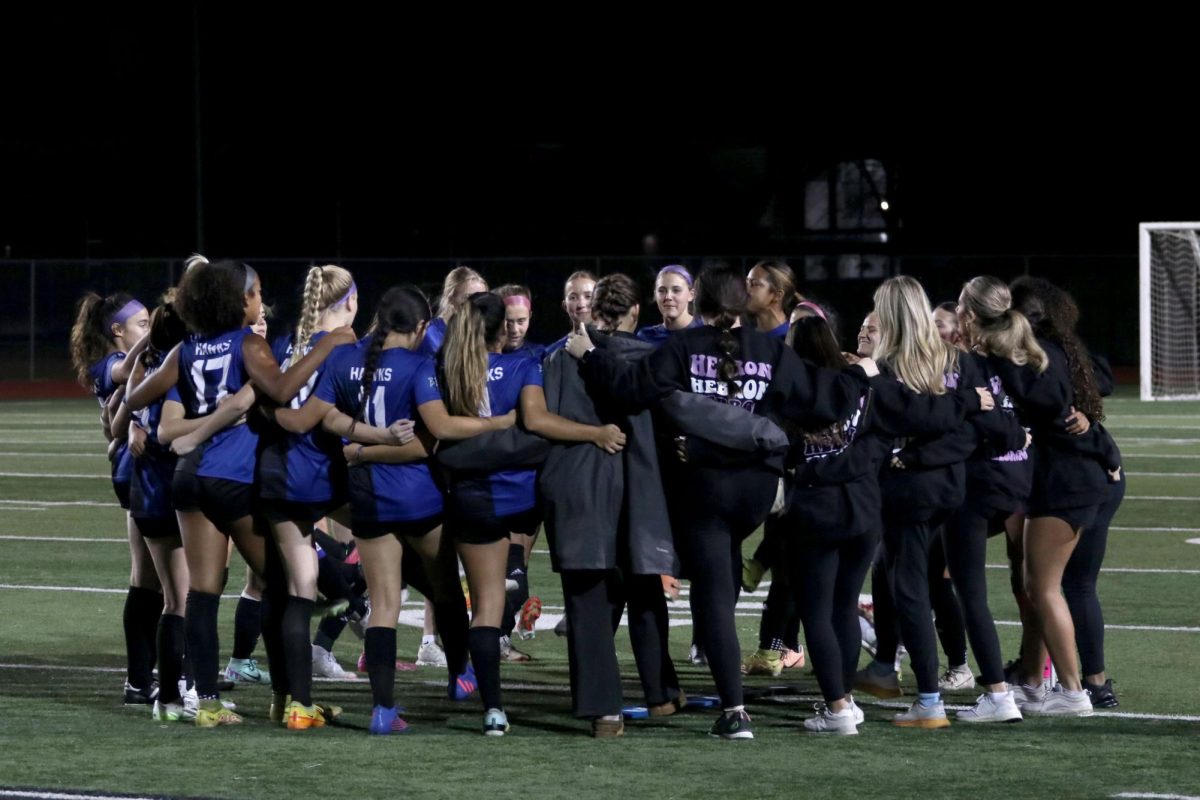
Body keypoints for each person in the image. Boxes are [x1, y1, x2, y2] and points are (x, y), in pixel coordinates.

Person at [565, 264, 882, 740]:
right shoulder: (771, 351)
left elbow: (630, 388)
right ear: (741, 304)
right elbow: (823, 402)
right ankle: (815, 699)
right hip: (756, 491)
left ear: (701, 302)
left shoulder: (681, 347)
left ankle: (735, 713)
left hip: (703, 488)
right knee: (727, 571)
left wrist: (589, 354)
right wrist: (861, 374)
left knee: (713, 596)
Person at [70, 290, 161, 706]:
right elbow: (126, 372)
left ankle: (142, 679)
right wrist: (157, 335)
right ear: (117, 331)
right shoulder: (109, 365)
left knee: (147, 578)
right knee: (158, 582)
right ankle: (154, 677)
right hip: (135, 470)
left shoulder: (130, 359)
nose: (148, 329)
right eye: (140, 324)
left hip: (132, 467)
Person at [418, 266, 487, 357]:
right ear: (451, 298)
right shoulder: (429, 334)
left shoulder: (488, 333)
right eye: (469, 298)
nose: (477, 304)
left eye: (482, 298)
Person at [635, 265, 702, 345]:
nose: (668, 297)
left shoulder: (705, 333)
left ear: (691, 295)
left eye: (676, 290)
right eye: (662, 291)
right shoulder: (646, 337)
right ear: (655, 295)